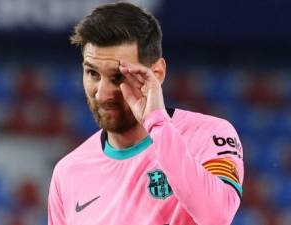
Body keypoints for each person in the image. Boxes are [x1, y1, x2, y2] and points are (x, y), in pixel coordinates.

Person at [48, 2, 244, 225]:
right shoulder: (68, 172)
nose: (102, 94)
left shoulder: (208, 135)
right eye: (92, 73)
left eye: (118, 77)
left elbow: (216, 217)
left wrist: (157, 123)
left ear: (157, 73)